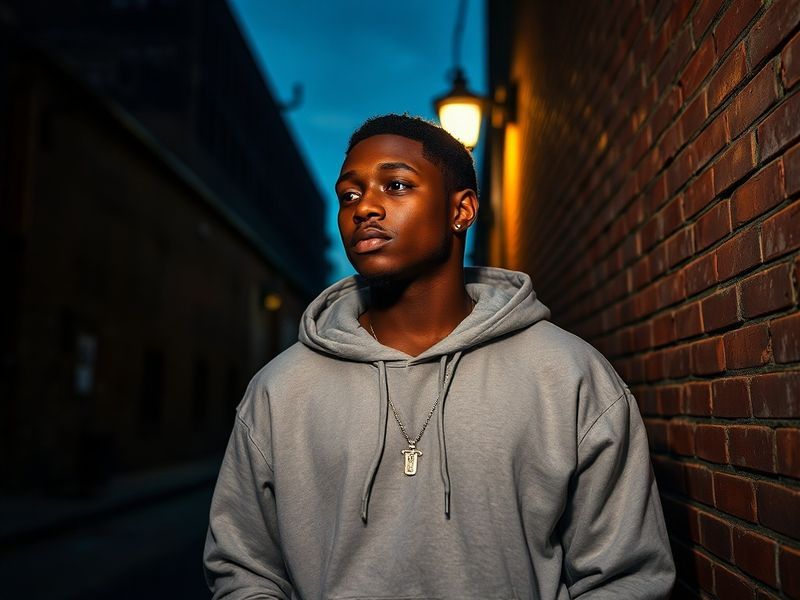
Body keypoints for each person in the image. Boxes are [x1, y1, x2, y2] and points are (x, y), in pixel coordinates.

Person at [203, 114, 675, 599]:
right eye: (349, 194)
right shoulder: (281, 389)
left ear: (461, 210)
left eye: (396, 185)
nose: (365, 207)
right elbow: (243, 569)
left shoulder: (567, 373)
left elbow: (626, 575)